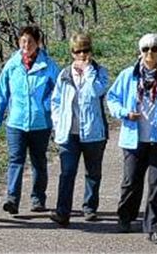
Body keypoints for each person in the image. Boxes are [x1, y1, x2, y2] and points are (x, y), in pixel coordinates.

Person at [107, 34, 157, 245]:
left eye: (154, 49)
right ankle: (126, 216)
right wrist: (124, 112)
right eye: (145, 49)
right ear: (140, 52)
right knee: (131, 180)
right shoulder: (128, 75)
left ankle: (155, 227)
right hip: (133, 137)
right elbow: (112, 98)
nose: (149, 54)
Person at [0, 26, 60, 216]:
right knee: (16, 160)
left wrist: (48, 105)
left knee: (39, 161)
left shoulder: (49, 65)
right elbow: (2, 93)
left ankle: (38, 198)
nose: (26, 45)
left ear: (38, 43)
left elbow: (60, 90)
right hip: (16, 122)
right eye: (23, 41)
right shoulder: (12, 65)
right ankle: (12, 199)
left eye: (30, 41)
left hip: (41, 122)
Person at [49, 33, 110, 227]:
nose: (82, 55)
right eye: (77, 51)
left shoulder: (100, 72)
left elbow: (95, 92)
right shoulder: (65, 74)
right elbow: (56, 101)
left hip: (93, 132)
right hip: (69, 133)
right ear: (72, 53)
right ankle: (62, 212)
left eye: (85, 50)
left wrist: (89, 72)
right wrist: (58, 123)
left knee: (93, 172)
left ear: (91, 51)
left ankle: (90, 207)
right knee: (67, 173)